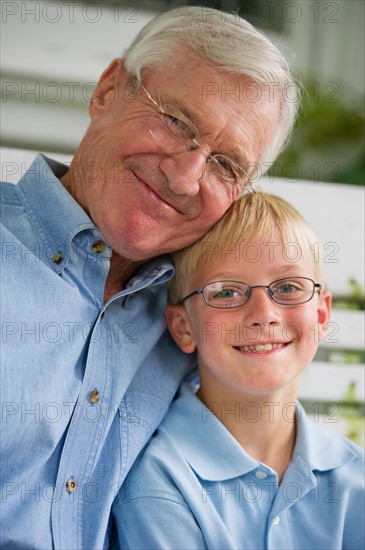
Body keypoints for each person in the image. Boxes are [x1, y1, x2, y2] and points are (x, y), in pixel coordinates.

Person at [0, 6, 298, 549]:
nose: (186, 178)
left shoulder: (201, 318)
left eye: (226, 165)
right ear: (108, 91)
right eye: (178, 122)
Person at [114, 192, 365, 550]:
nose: (264, 313)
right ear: (184, 327)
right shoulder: (158, 480)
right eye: (226, 292)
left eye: (288, 287)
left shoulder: (355, 477)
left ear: (322, 316)